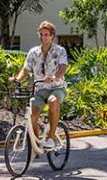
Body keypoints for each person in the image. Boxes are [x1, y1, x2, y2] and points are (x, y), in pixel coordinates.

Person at [10, 21, 68, 150]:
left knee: (53, 102)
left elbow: (63, 67)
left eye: (46, 34)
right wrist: (17, 79)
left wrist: (54, 77)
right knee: (32, 116)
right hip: (40, 90)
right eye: (41, 34)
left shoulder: (60, 51)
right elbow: (26, 70)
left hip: (56, 88)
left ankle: (51, 138)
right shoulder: (33, 52)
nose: (43, 37)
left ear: (52, 36)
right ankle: (36, 145)